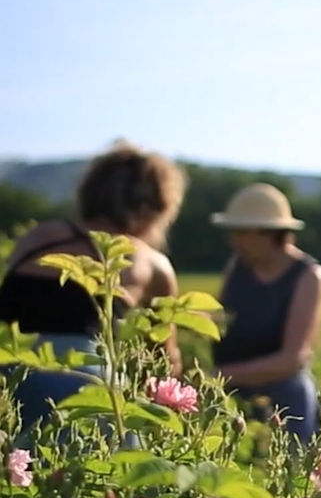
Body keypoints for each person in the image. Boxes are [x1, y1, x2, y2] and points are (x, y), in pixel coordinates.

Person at [0, 141, 186, 431]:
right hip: (86, 388)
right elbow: (165, 363)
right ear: (155, 208)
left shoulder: (38, 238)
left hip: (8, 376)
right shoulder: (151, 263)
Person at [210, 183, 321, 444]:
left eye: (241, 233)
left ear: (270, 233)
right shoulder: (239, 266)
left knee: (295, 456)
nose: (234, 241)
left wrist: (217, 374)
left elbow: (291, 360)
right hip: (230, 386)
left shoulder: (309, 276)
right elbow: (220, 317)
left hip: (281, 391)